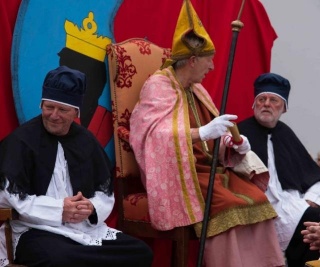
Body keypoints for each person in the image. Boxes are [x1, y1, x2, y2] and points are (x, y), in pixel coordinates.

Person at [129, 0, 285, 266]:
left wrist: (232, 142)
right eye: (208, 61)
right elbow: (151, 136)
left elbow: (211, 134)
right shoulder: (158, 85)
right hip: (179, 172)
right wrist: (201, 132)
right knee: (228, 204)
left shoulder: (197, 89)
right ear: (192, 60)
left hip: (207, 168)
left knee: (258, 199)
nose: (212, 67)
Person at [0, 66, 153, 267]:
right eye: (48, 107)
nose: (54, 115)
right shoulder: (21, 141)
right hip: (35, 229)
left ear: (76, 112)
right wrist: (59, 209)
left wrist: (91, 207)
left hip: (82, 229)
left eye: (62, 110)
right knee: (60, 259)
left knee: (141, 253)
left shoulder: (86, 141)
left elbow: (104, 193)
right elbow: (8, 199)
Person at [238, 72, 320, 267]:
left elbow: (314, 178)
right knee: (313, 224)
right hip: (255, 207)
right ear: (254, 104)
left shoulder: (286, 134)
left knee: (314, 221)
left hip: (293, 207)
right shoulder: (240, 134)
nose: (266, 104)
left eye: (273, 100)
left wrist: (312, 199)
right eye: (262, 99)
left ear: (284, 108)